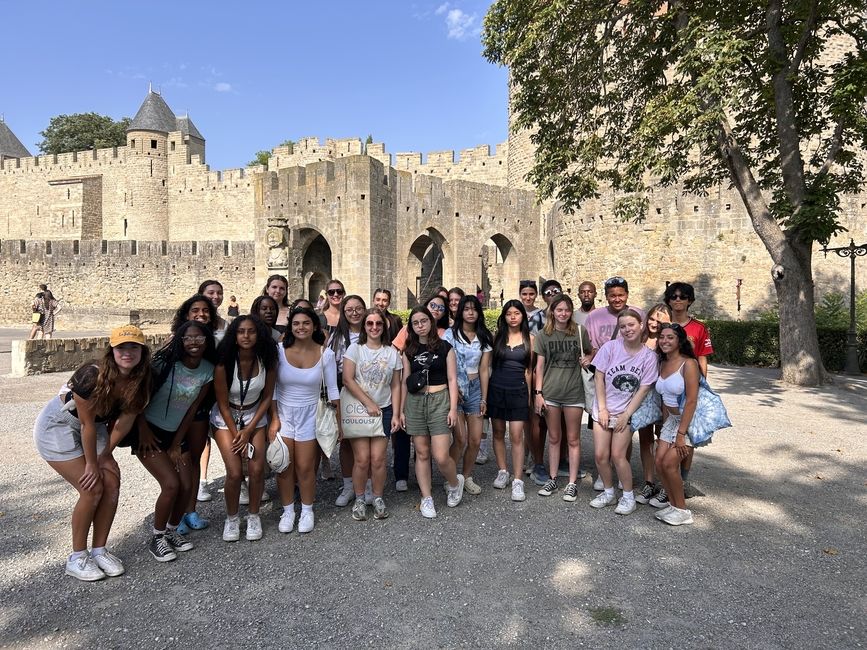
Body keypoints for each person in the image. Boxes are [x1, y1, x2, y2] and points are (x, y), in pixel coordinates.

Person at [33, 325, 151, 581]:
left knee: (112, 480)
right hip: (60, 425)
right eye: (121, 347)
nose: (127, 352)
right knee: (92, 486)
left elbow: (124, 421)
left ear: (142, 351)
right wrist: (91, 464)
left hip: (94, 427)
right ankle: (77, 557)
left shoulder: (141, 379)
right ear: (112, 351)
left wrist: (105, 454)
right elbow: (85, 424)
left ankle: (99, 550)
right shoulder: (91, 375)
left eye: (133, 347)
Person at [127, 320, 215, 561]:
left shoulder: (208, 370)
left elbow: (192, 408)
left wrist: (177, 443)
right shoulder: (163, 364)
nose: (193, 342)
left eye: (199, 337)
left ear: (207, 340)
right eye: (188, 338)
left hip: (176, 434)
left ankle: (172, 530)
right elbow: (138, 398)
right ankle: (157, 537)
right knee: (171, 484)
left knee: (187, 486)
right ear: (180, 340)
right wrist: (142, 430)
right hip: (149, 433)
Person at [271, 307, 340, 534]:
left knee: (305, 467)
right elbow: (271, 390)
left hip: (311, 415)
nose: (301, 327)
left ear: (314, 327)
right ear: (290, 326)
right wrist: (273, 419)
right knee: (283, 466)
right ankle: (288, 510)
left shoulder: (325, 354)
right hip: (284, 414)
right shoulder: (279, 350)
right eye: (296, 323)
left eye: (306, 323)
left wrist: (338, 423)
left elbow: (332, 390)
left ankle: (307, 510)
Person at [211, 315, 278, 541]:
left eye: (251, 331)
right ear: (234, 335)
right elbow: (221, 402)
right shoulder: (224, 362)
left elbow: (267, 396)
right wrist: (236, 432)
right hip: (226, 418)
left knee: (257, 470)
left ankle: (253, 515)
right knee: (235, 472)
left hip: (254, 416)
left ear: (259, 335)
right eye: (241, 332)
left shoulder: (267, 359)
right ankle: (231, 518)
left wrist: (248, 430)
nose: (246, 336)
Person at [589, 309, 659, 515]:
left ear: (641, 325)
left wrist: (626, 415)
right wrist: (602, 408)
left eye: (631, 325)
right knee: (601, 455)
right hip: (603, 408)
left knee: (618, 455)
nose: (627, 330)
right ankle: (609, 493)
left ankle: (628, 496)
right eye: (623, 326)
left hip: (625, 412)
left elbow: (644, 389)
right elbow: (599, 377)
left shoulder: (649, 357)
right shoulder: (610, 348)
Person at [399, 305, 465, 518]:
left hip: (440, 400)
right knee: (422, 452)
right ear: (411, 326)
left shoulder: (445, 347)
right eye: (416, 323)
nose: (420, 326)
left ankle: (454, 483)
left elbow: (453, 379)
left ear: (431, 322)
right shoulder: (409, 350)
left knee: (441, 455)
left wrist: (453, 408)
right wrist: (401, 410)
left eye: (424, 321)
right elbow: (404, 382)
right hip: (416, 402)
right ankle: (426, 497)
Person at [342, 308, 402, 520]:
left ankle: (377, 497)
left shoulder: (391, 353)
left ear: (384, 326)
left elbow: (396, 385)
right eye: (370, 323)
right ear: (364, 326)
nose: (374, 327)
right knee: (362, 459)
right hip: (360, 409)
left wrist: (396, 413)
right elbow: (347, 379)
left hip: (384, 410)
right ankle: (359, 499)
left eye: (378, 323)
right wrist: (368, 402)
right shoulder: (355, 349)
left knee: (378, 460)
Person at [533, 294, 592, 502]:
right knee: (554, 438)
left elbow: (591, 353)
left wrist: (588, 359)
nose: (563, 314)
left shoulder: (579, 331)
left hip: (574, 392)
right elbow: (539, 367)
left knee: (573, 439)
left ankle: (572, 483)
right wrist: (538, 394)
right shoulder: (543, 335)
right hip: (551, 393)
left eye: (567, 310)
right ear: (552, 311)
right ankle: (553, 477)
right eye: (559, 310)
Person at [170, 295, 218, 532]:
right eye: (195, 310)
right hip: (175, 411)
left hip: (200, 409)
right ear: (186, 315)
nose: (201, 314)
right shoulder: (176, 341)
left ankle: (190, 510)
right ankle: (174, 515)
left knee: (195, 457)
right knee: (178, 460)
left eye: (205, 310)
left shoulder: (212, 342)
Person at [663, 281, 715, 503]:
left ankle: (682, 478)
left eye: (682, 296)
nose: (677, 300)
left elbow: (702, 357)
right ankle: (666, 478)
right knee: (664, 433)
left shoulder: (698, 328)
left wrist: (703, 385)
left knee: (686, 436)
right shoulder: (663, 326)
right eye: (673, 296)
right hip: (667, 386)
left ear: (689, 301)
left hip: (689, 388)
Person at [443, 295, 492, 496]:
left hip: (475, 388)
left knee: (475, 440)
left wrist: (483, 398)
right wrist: (452, 390)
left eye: (474, 309)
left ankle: (466, 476)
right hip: (456, 388)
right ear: (460, 312)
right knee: (460, 439)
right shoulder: (449, 335)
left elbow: (484, 370)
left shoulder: (484, 336)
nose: (470, 313)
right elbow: (445, 365)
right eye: (466, 309)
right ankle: (452, 480)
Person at [653, 322, 699, 525]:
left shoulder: (689, 364)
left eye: (670, 337)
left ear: (680, 340)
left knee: (670, 464)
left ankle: (683, 511)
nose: (665, 341)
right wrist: (664, 426)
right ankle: (673, 505)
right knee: (659, 462)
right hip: (671, 420)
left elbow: (691, 400)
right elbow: (664, 399)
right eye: (662, 337)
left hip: (687, 421)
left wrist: (681, 434)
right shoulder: (662, 363)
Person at [488, 300, 532, 502]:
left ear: (523, 316)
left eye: (517, 313)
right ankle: (503, 471)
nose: (513, 317)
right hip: (497, 389)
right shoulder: (497, 337)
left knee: (516, 435)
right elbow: (489, 367)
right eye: (509, 313)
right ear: (504, 316)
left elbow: (529, 371)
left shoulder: (530, 339)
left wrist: (530, 396)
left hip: (519, 391)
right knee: (497, 432)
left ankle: (518, 480)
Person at [329, 295, 367, 506]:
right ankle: (348, 485)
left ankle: (368, 484)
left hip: (370, 391)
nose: (354, 313)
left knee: (367, 438)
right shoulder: (336, 337)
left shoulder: (372, 329)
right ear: (343, 312)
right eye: (349, 309)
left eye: (358, 308)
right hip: (344, 390)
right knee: (346, 440)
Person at [634, 303, 672, 505]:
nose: (654, 323)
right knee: (646, 439)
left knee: (664, 439)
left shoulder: (668, 341)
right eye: (652, 318)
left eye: (660, 320)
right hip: (643, 396)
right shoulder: (639, 338)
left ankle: (666, 485)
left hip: (663, 395)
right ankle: (649, 482)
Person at [585, 277, 646, 351]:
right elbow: (589, 347)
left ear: (627, 295)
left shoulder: (639, 314)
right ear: (606, 296)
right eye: (613, 296)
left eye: (621, 295)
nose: (617, 300)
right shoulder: (593, 317)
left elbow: (645, 341)